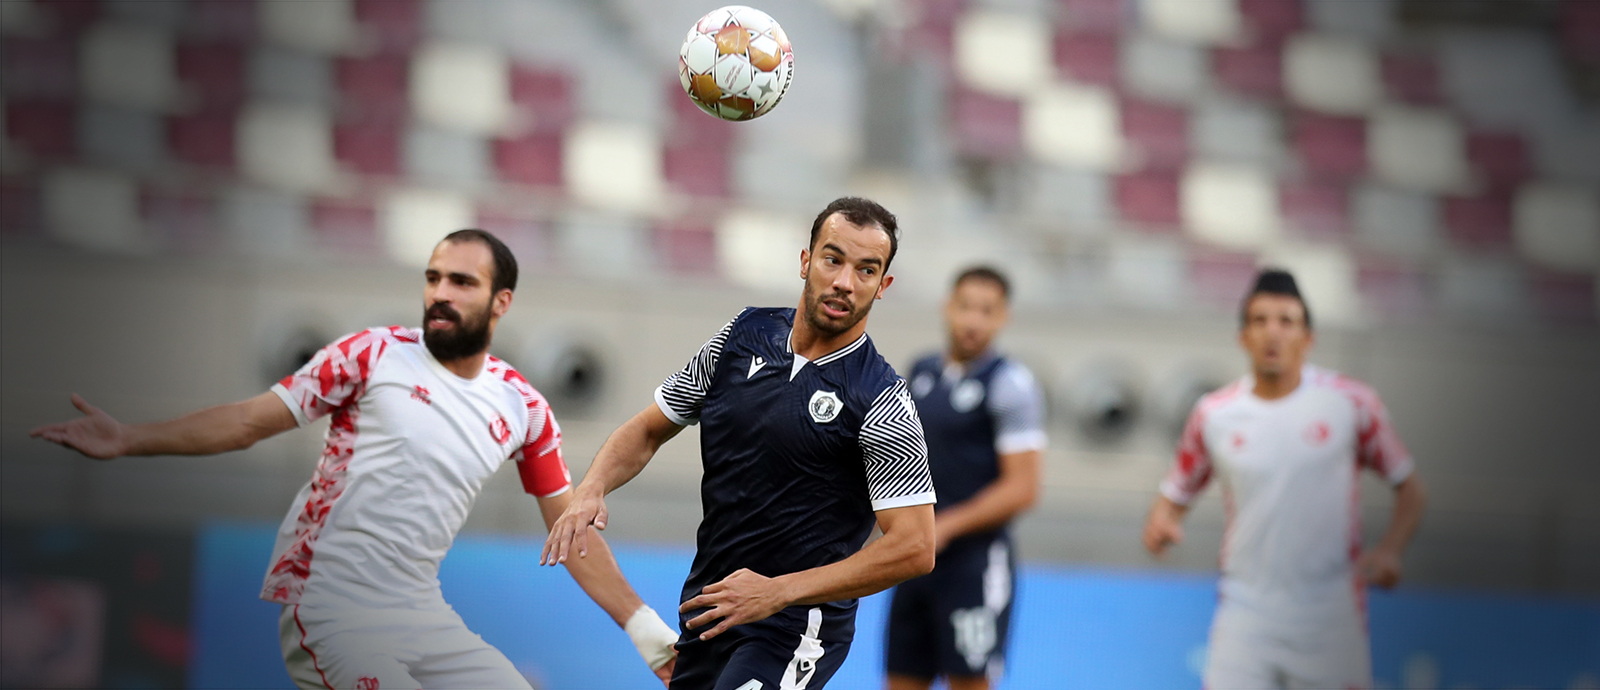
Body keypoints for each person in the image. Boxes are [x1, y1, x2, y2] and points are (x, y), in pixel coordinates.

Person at [30, 229, 679, 689]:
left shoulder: (524, 406)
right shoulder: (370, 355)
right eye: (433, 277)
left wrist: (647, 633)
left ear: (500, 302)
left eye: (461, 281)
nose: (440, 292)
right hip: (330, 605)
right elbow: (248, 422)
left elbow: (570, 531)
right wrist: (131, 437)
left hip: (420, 612)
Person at [541, 197, 938, 690]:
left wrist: (777, 592)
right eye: (833, 259)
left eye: (866, 270)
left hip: (794, 626)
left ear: (883, 286)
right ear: (805, 261)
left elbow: (915, 546)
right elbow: (648, 429)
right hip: (710, 610)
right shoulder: (742, 335)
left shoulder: (881, 399)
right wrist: (592, 487)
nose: (844, 282)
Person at [1141, 268, 1428, 690]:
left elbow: (1410, 489)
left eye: (1286, 321)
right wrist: (1162, 523)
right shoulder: (1214, 414)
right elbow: (1174, 495)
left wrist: (1390, 550)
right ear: (1243, 337)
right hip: (1245, 611)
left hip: (1330, 614)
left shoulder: (1350, 404)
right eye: (1260, 321)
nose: (1272, 333)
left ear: (1308, 338)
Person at [885, 267, 1046, 690]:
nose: (973, 320)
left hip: (973, 565)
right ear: (947, 307)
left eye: (986, 311)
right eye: (966, 307)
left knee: (968, 680)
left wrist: (947, 526)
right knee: (900, 678)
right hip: (914, 562)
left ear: (1003, 317)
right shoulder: (921, 371)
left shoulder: (1009, 385)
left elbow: (1023, 488)